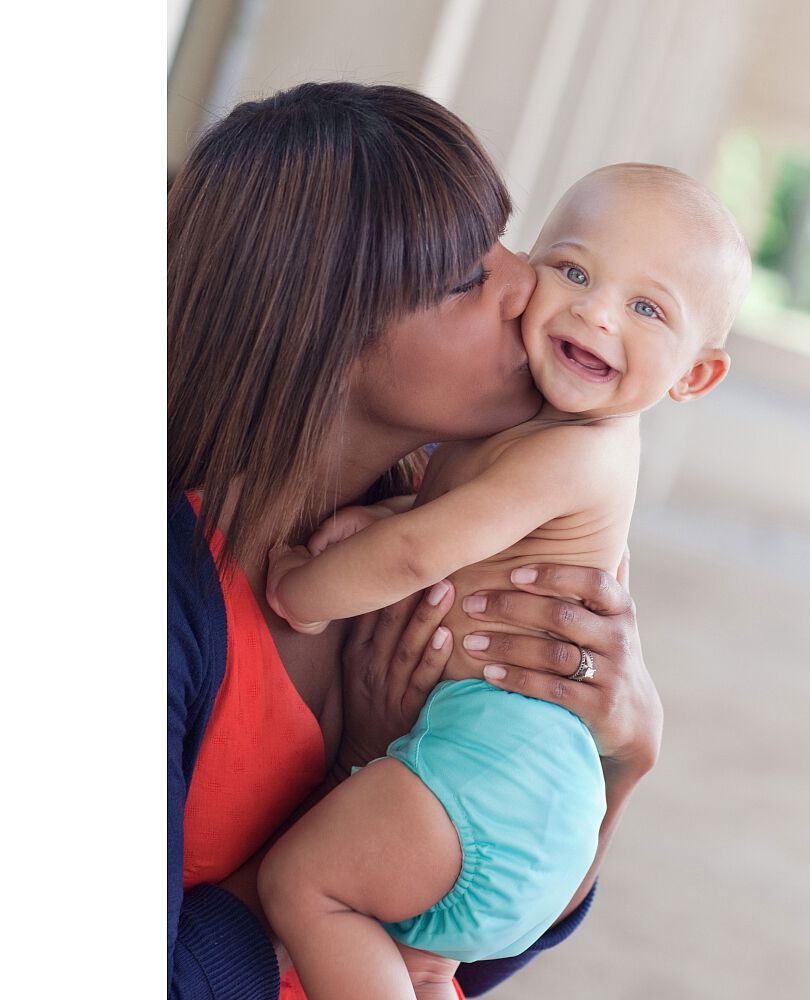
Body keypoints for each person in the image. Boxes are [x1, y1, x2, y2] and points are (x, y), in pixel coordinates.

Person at [168, 82, 664, 1000]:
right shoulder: (168, 602)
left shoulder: (453, 539)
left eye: (509, 240)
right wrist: (358, 777)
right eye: (467, 277)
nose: (531, 285)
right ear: (323, 337)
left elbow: (472, 944)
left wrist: (623, 761)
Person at [259, 163, 751, 999]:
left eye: (647, 308)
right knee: (414, 965)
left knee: (305, 888)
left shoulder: (578, 451)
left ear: (694, 376)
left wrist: (302, 589)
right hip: (518, 792)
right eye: (575, 271)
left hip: (491, 779)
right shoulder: (536, 432)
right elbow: (458, 526)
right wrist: (384, 515)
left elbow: (419, 556)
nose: (597, 312)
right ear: (530, 269)